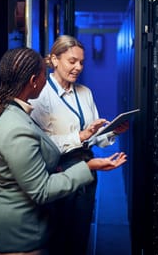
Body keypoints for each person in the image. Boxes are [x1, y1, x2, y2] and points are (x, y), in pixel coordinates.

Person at [0, 47, 127, 255]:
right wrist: (87, 166)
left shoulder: (13, 112)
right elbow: (41, 190)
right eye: (44, 73)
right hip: (16, 230)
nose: (46, 79)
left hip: (21, 222)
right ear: (34, 80)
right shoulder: (17, 126)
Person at [29, 35, 129, 255]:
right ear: (54, 60)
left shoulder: (85, 93)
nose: (78, 67)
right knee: (58, 235)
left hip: (86, 168)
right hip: (56, 171)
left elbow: (95, 136)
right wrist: (81, 136)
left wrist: (111, 131)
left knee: (79, 233)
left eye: (82, 62)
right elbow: (39, 144)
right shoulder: (40, 95)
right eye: (72, 61)